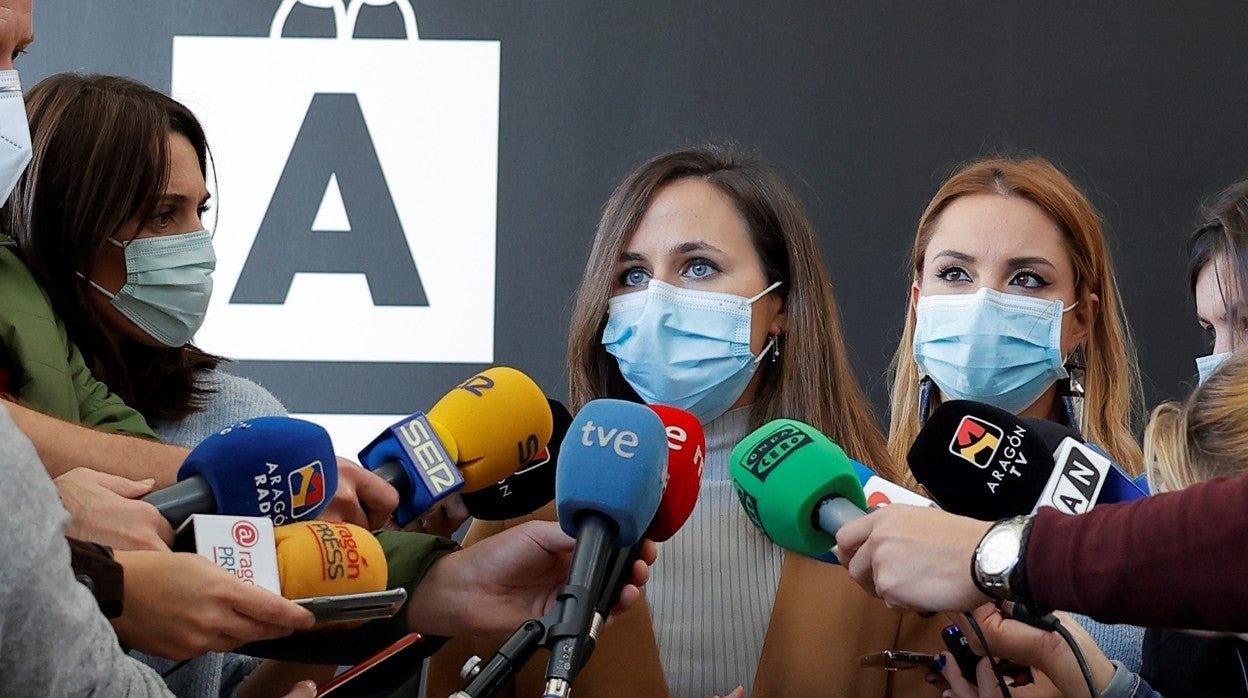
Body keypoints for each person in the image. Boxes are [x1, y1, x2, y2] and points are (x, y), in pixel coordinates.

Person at [428, 143, 943, 697]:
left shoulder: (883, 525)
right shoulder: (525, 525)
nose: (657, 301)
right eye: (633, 275)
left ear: (782, 306)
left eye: (699, 267)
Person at [886, 155, 1146, 671]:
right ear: (919, 306)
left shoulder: (1137, 518)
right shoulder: (863, 510)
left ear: (1080, 319)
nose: (984, 302)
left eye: (1026, 279)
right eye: (954, 273)